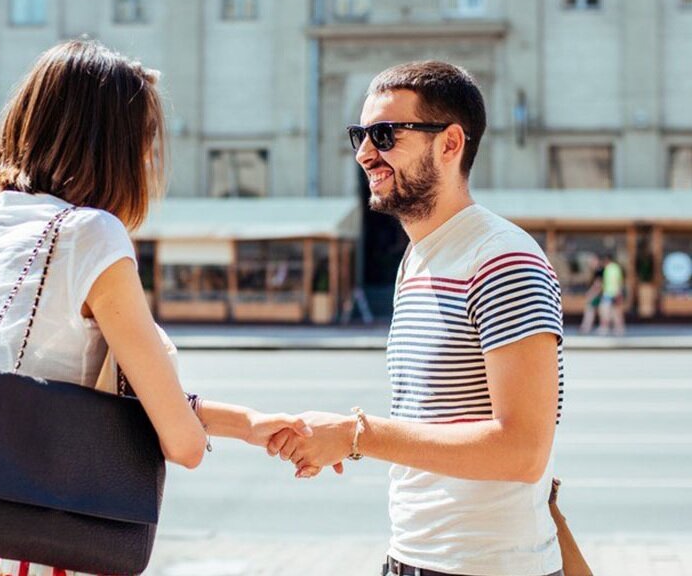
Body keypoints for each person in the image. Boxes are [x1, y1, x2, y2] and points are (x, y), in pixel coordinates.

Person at [0, 40, 311, 576]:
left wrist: (246, 424)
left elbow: (60, 394)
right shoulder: (91, 235)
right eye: (144, 142)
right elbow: (180, 441)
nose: (149, 159)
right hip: (52, 549)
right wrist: (202, 429)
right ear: (112, 147)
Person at [267, 61, 565, 576]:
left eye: (384, 135)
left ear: (450, 144)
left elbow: (523, 450)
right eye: (359, 134)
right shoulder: (420, 258)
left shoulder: (502, 258)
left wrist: (356, 434)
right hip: (413, 555)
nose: (364, 153)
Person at [598, 252, 626, 336]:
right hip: (615, 292)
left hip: (608, 293)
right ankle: (620, 328)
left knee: (604, 310)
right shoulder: (616, 268)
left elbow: (608, 282)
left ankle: (605, 327)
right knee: (615, 311)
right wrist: (619, 291)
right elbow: (619, 281)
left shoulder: (608, 268)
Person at [580, 253, 604, 333]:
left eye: (593, 261)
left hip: (597, 294)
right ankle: (587, 326)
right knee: (592, 310)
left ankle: (587, 327)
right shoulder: (595, 271)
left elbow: (598, 285)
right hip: (597, 294)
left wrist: (590, 294)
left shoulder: (599, 271)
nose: (591, 263)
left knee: (591, 310)